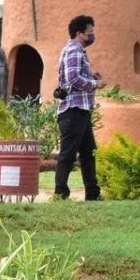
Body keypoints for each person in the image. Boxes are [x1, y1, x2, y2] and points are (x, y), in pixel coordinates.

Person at [54, 14, 102, 202]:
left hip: (81, 110)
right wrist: (95, 84)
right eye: (89, 32)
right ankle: (60, 193)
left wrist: (91, 75)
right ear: (78, 33)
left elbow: (76, 74)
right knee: (68, 154)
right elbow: (73, 78)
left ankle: (93, 193)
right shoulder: (74, 50)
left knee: (89, 153)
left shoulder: (79, 51)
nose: (92, 36)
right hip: (73, 110)